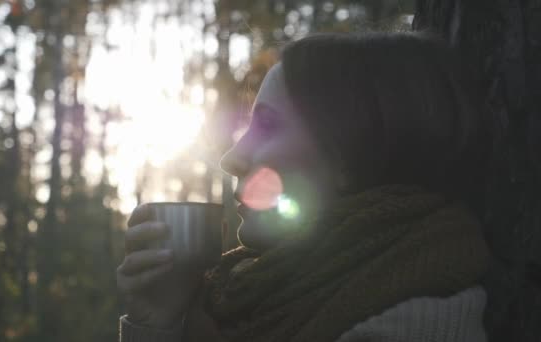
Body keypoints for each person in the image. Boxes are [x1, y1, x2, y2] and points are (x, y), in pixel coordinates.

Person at [116, 32, 491, 342]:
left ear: (348, 152)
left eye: (267, 127)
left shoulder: (414, 329)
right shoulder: (258, 302)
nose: (231, 158)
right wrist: (159, 322)